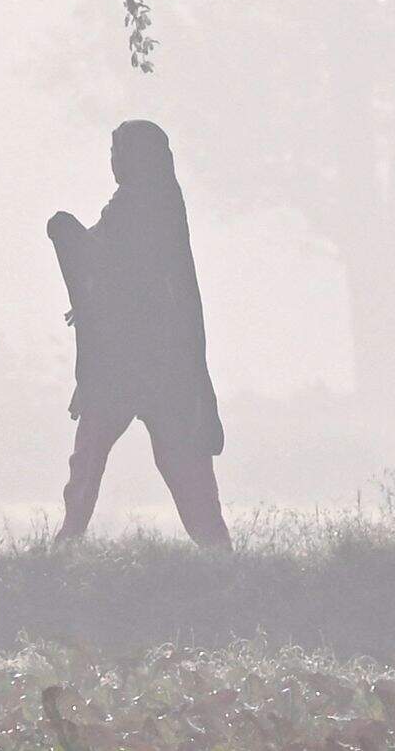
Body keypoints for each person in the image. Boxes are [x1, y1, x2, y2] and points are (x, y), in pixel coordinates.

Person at [48, 118, 231, 547]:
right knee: (183, 465)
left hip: (133, 363)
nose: (113, 161)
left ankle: (68, 542)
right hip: (165, 365)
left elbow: (105, 264)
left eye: (118, 152)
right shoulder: (157, 203)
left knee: (92, 457)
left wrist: (65, 232)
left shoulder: (138, 206)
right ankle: (219, 551)